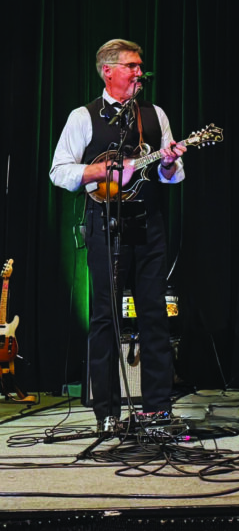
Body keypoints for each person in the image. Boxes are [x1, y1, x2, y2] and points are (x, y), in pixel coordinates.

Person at [50, 39, 187, 433]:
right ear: (108, 70)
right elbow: (59, 171)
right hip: (104, 223)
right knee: (105, 318)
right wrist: (104, 172)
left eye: (141, 66)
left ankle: (158, 407)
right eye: (132, 66)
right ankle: (106, 412)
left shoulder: (154, 114)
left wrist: (170, 161)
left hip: (148, 223)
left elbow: (170, 177)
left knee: (154, 316)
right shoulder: (83, 116)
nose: (140, 73)